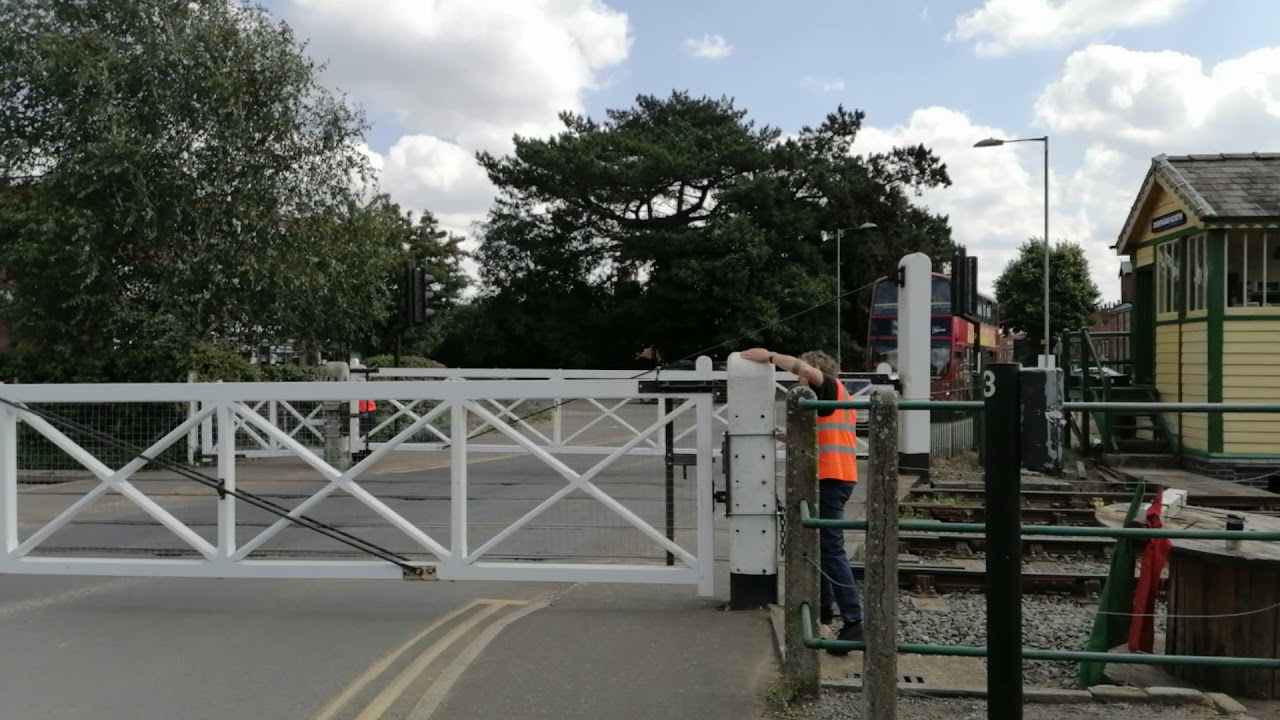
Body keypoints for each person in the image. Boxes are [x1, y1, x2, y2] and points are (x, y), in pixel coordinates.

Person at [739, 347, 864, 653]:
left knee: (832, 548)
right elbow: (818, 436)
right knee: (825, 548)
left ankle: (854, 621)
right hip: (838, 475)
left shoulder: (830, 387)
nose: (798, 382)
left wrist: (770, 356)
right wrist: (782, 436)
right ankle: (826, 615)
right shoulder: (831, 402)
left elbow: (806, 371)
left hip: (831, 476)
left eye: (800, 377)